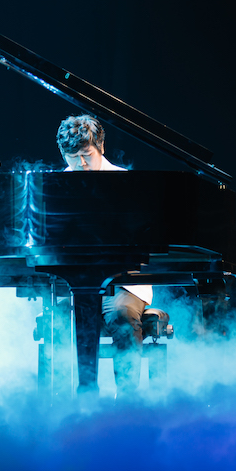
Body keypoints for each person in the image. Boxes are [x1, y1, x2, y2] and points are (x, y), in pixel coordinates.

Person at [57, 114, 152, 395]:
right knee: (56, 321)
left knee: (122, 318)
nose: (81, 164)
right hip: (74, 281)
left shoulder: (125, 182)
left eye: (87, 155)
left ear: (100, 147)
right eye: (73, 158)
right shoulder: (57, 185)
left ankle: (127, 402)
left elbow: (142, 235)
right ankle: (69, 402)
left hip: (121, 280)